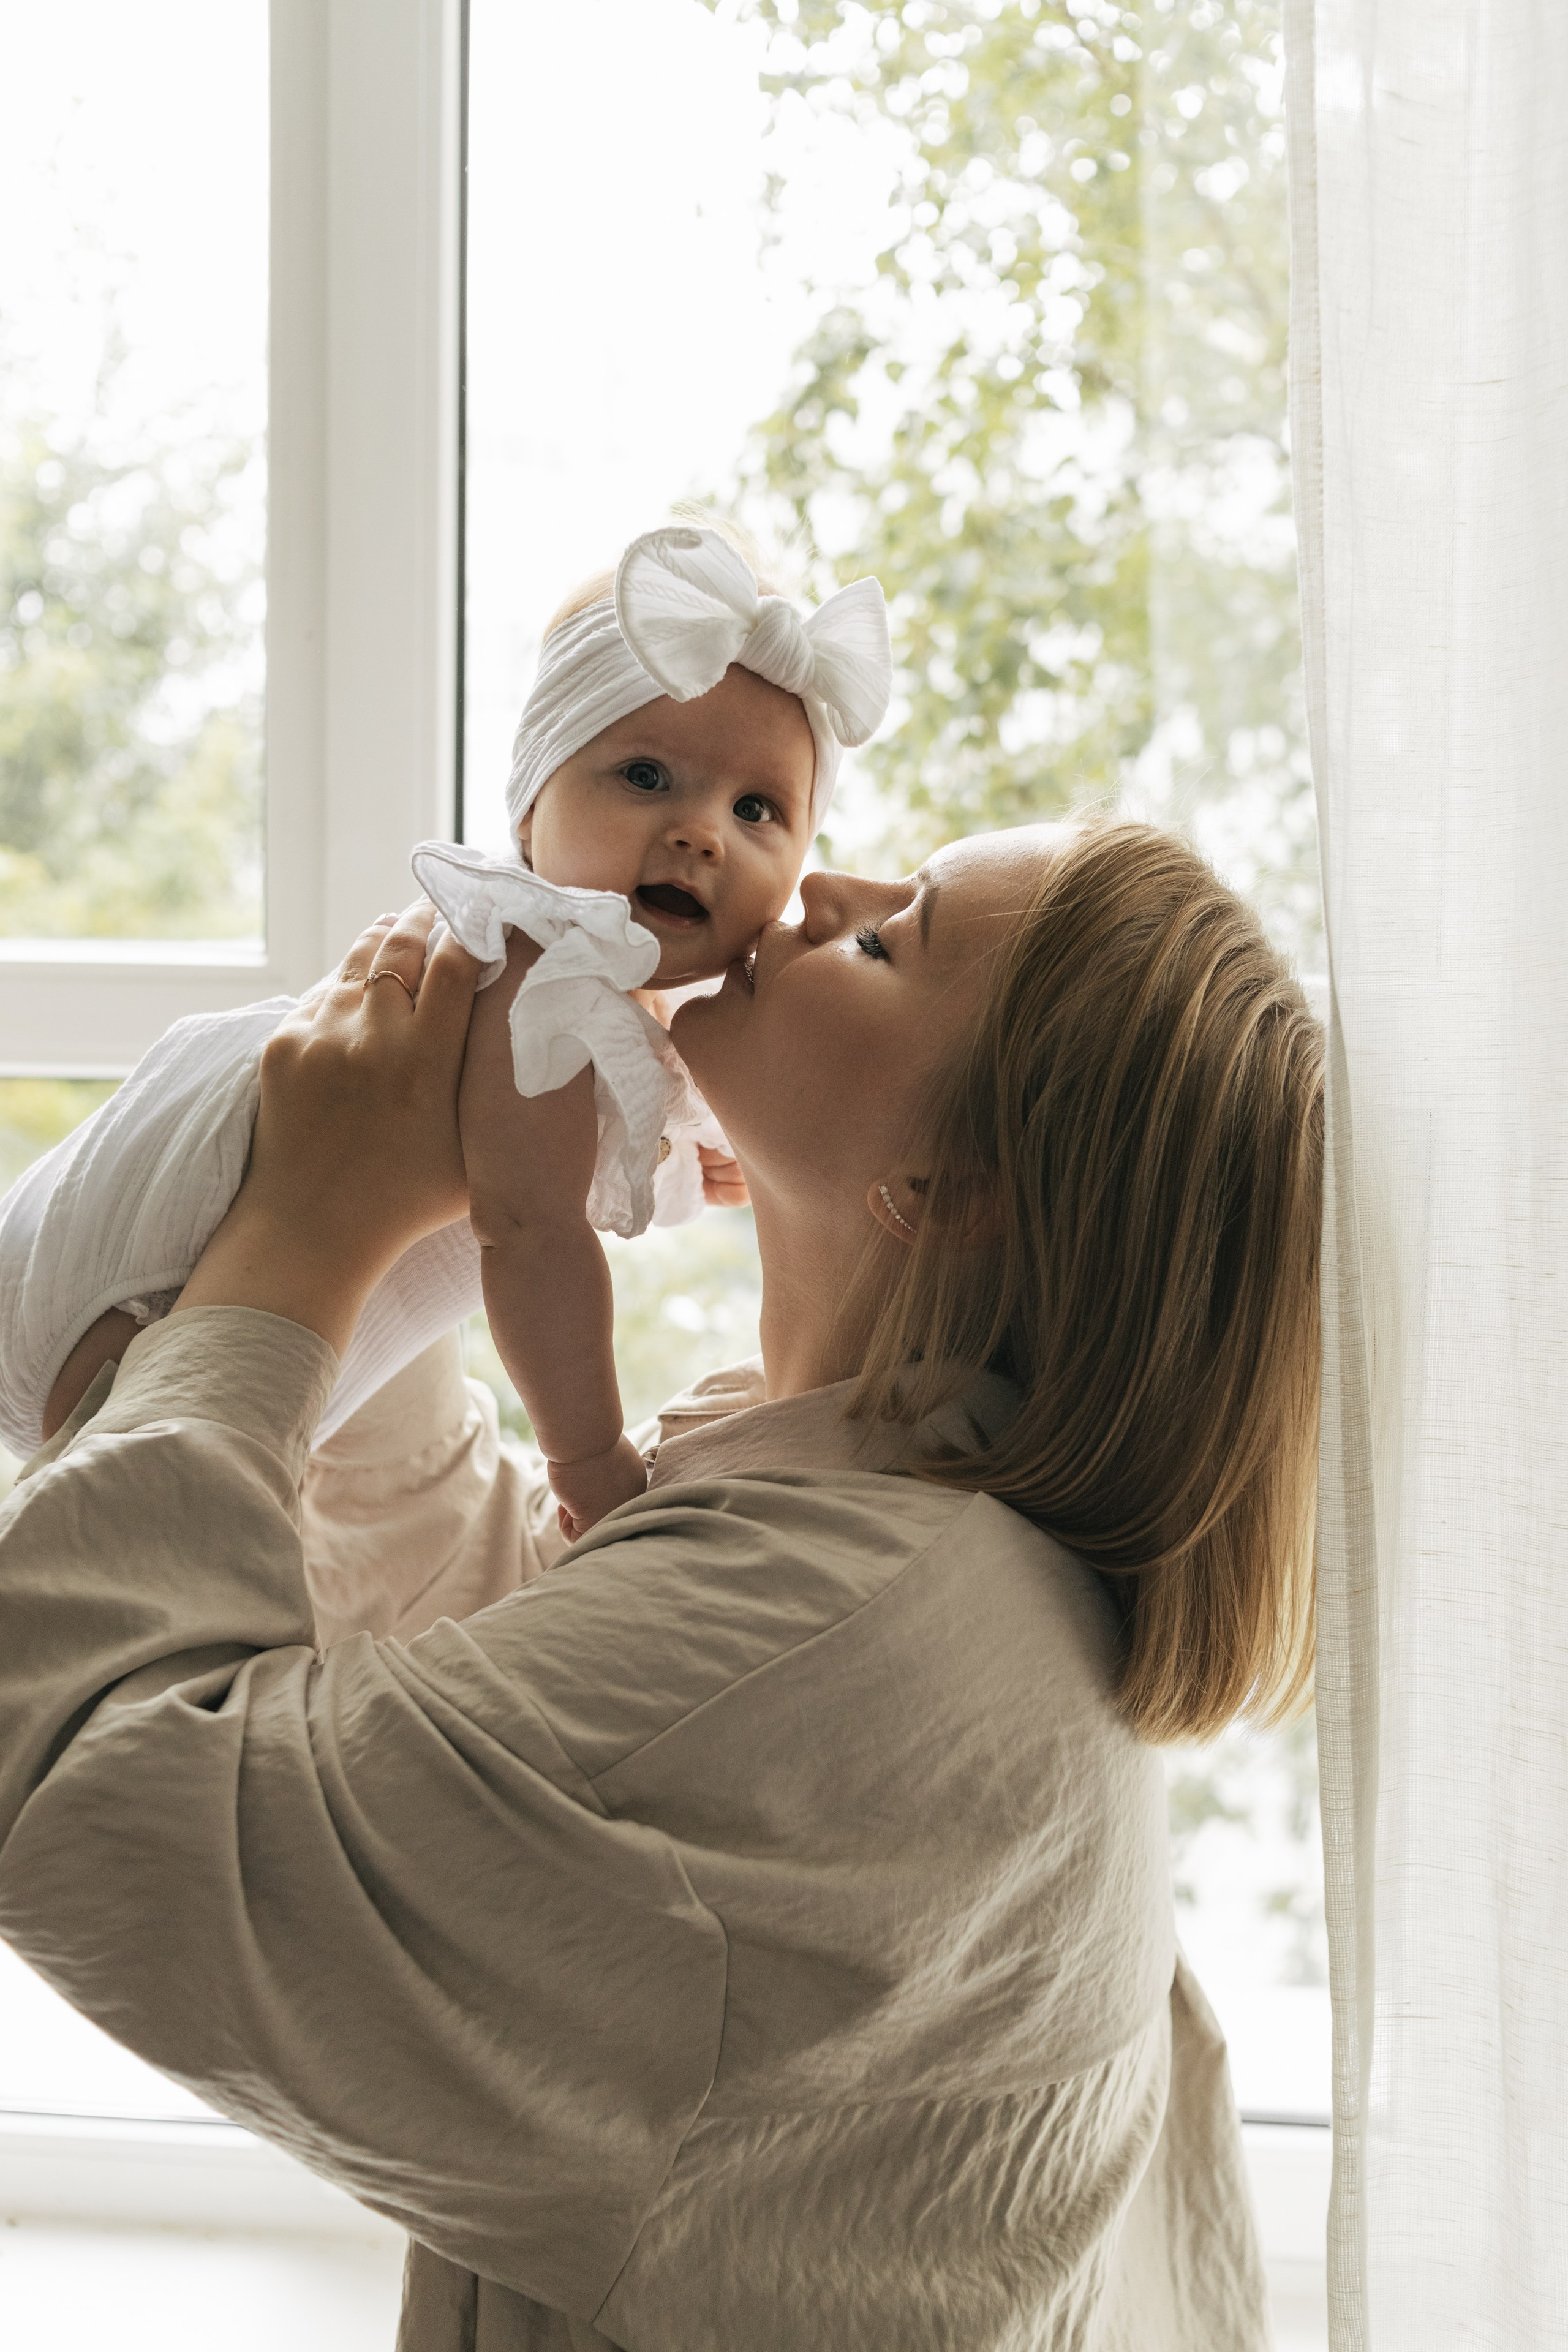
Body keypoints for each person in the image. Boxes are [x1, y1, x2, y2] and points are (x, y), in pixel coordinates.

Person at [0, 816, 1323, 2350]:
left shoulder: (833, 1641)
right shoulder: (915, 1528)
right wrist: (424, 1196)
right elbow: (502, 1690)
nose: (815, 888)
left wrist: (302, 1236)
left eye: (886, 939)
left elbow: (75, 1772)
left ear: (945, 1188)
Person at [0, 522, 892, 1539]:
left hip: (181, 1322)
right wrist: (588, 1456)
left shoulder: (617, 1003)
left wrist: (691, 1159)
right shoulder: (534, 972)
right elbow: (532, 1232)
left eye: (757, 809)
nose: (702, 832)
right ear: (530, 811)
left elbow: (573, 1155)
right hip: (133, 1314)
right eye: (646, 776)